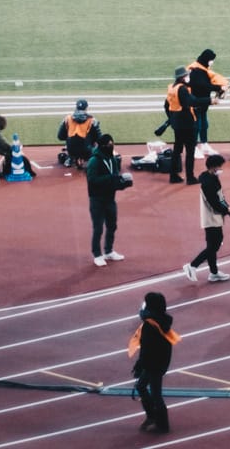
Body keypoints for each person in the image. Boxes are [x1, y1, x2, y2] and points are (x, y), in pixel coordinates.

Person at [128, 291, 179, 434]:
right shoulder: (161, 320)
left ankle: (162, 424)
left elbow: (147, 348)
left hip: (154, 364)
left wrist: (140, 365)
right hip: (158, 361)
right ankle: (152, 416)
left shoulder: (150, 325)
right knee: (141, 386)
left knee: (156, 394)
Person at [185, 153, 230, 283]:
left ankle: (213, 273)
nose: (220, 169)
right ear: (213, 167)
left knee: (213, 245)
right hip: (211, 218)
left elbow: (220, 197)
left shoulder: (212, 178)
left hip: (215, 217)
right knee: (214, 245)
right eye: (219, 166)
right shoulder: (208, 183)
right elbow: (214, 202)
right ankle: (192, 266)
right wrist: (226, 211)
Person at [87, 134, 131, 267]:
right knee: (98, 228)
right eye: (109, 144)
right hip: (97, 200)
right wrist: (111, 178)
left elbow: (114, 178)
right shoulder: (94, 161)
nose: (111, 146)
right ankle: (97, 254)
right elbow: (92, 180)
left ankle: (108, 251)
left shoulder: (112, 158)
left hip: (110, 199)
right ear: (102, 146)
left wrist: (123, 183)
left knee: (112, 225)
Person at [164, 66, 211, 184]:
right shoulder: (183, 90)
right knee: (190, 151)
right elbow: (192, 102)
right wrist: (209, 100)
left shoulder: (172, 88)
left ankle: (173, 175)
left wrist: (171, 118)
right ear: (182, 78)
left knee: (177, 150)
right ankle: (190, 177)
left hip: (177, 124)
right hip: (188, 124)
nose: (188, 77)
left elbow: (166, 106)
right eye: (186, 75)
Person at [186, 48, 229, 145]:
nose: (212, 62)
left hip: (204, 102)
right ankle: (194, 146)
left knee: (204, 124)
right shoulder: (196, 71)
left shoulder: (202, 68)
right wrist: (219, 88)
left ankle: (204, 144)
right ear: (207, 59)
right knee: (197, 125)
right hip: (196, 102)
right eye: (211, 60)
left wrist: (221, 87)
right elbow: (203, 86)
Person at [57, 98, 101, 168]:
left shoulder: (67, 119)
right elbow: (99, 138)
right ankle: (89, 159)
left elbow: (60, 136)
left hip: (71, 150)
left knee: (69, 138)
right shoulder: (92, 120)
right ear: (86, 108)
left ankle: (70, 157)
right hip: (87, 150)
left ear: (76, 107)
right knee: (96, 144)